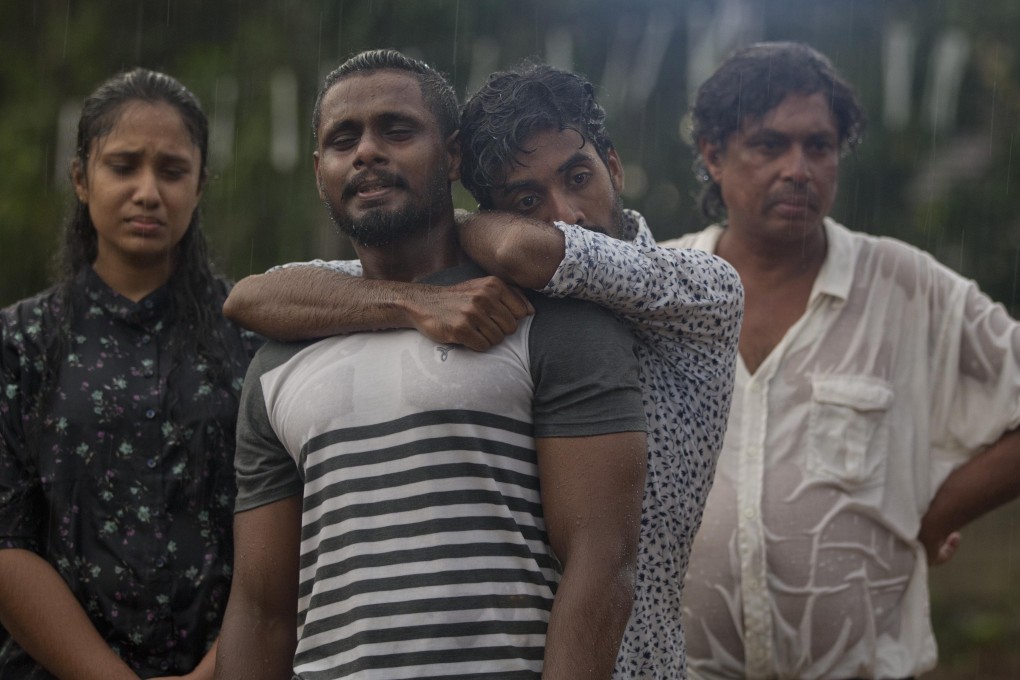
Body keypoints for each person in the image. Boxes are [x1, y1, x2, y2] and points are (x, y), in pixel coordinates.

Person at [222, 61, 744, 678]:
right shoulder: (474, 298)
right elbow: (252, 297)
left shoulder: (698, 286)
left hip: (633, 661)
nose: (566, 215)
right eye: (528, 199)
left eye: (579, 177)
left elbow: (525, 249)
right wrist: (417, 285)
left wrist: (448, 218)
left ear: (616, 166)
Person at [659, 41, 1020, 680]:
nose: (799, 169)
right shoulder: (658, 289)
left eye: (819, 146)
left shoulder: (906, 287)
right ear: (713, 155)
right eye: (769, 145)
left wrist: (933, 515)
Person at [0, 69, 261, 680]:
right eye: (123, 166)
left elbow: (292, 523)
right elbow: (6, 543)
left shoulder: (252, 338)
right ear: (80, 179)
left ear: (199, 187)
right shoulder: (18, 344)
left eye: (172, 171)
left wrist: (219, 669)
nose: (148, 191)